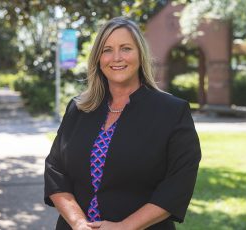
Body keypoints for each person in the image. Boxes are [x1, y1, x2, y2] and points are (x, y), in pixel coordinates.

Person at [44, 16, 201, 230]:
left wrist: (124, 227)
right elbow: (55, 171)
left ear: (140, 55)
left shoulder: (172, 112)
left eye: (126, 48)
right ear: (98, 58)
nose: (116, 57)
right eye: (107, 50)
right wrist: (79, 223)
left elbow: (178, 184)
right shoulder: (78, 108)